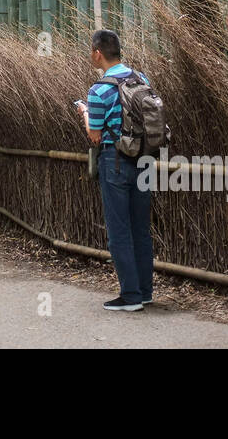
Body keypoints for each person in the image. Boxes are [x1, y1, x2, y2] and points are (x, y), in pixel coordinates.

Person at [76, 29, 152, 312]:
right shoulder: (141, 79)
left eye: (90, 51)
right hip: (145, 161)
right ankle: (145, 292)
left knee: (119, 230)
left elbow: (95, 136)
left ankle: (130, 296)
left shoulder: (98, 90)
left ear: (98, 53)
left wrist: (85, 114)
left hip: (115, 162)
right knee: (141, 230)